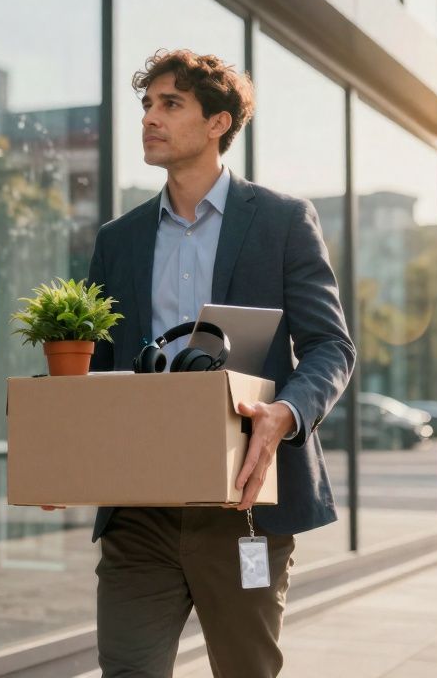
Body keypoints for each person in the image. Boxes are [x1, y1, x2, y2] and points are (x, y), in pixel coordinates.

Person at [80, 50, 355, 676]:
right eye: (146, 104)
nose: (149, 117)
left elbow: (331, 347)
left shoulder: (283, 221)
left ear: (217, 123)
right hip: (139, 510)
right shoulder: (116, 240)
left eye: (169, 104)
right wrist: (63, 455)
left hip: (244, 504)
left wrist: (286, 412)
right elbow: (96, 366)